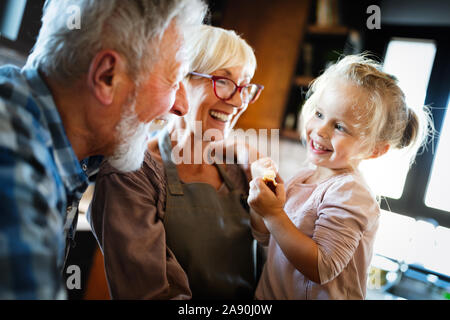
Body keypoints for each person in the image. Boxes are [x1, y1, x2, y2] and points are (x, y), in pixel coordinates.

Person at [0, 0, 207, 299]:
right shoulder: (14, 169)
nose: (181, 106)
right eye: (174, 81)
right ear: (108, 76)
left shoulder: (63, 145)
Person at [88, 25, 264, 300]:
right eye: (224, 82)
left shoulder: (241, 171)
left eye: (245, 86)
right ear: (180, 79)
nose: (239, 101)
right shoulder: (132, 173)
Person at [248, 54, 431, 299]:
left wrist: (273, 213)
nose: (321, 130)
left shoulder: (351, 192)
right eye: (320, 114)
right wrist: (260, 200)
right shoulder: (302, 178)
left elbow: (322, 268)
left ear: (375, 149)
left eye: (340, 127)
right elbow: (264, 237)